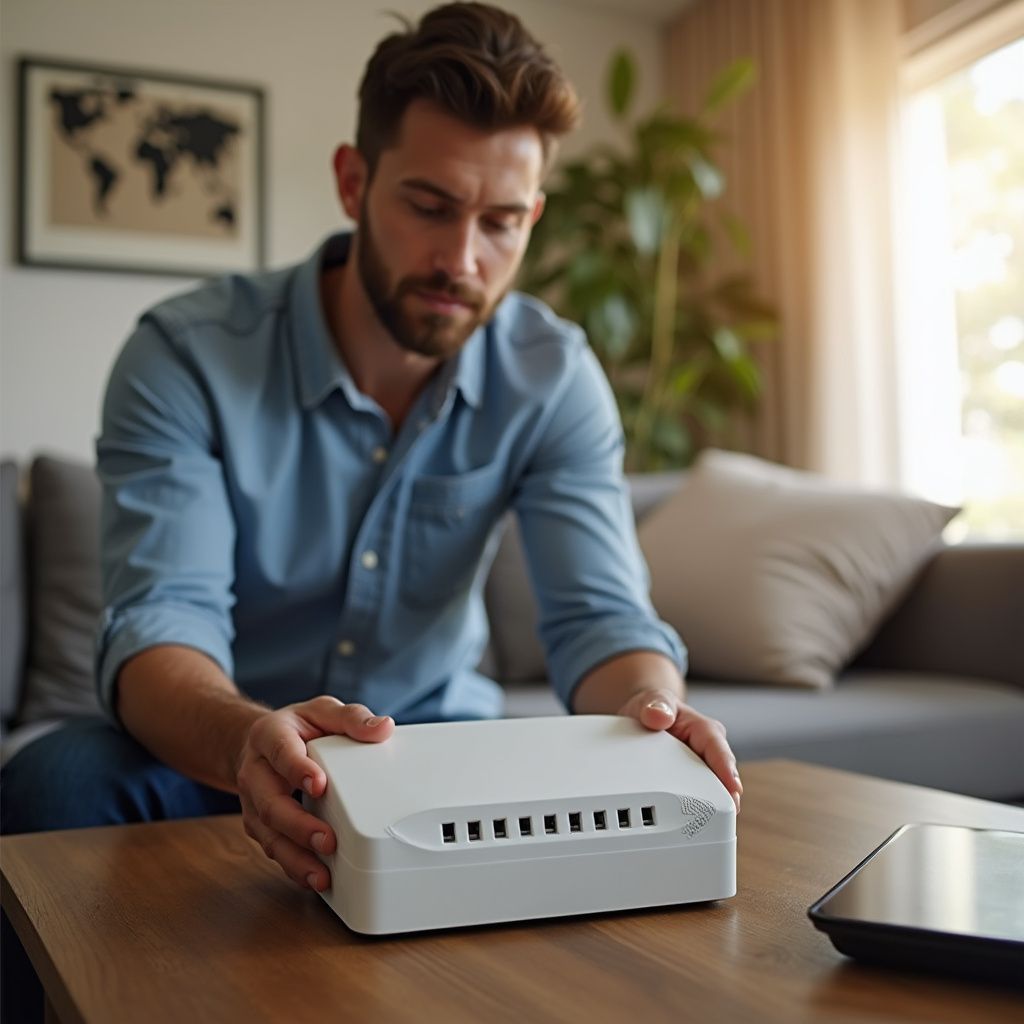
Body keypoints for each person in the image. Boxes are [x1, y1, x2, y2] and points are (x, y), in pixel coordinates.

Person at [2, 3, 741, 1015]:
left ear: (533, 213)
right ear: (355, 181)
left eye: (501, 222)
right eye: (428, 205)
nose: (461, 261)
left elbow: (599, 621)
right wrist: (245, 741)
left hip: (434, 749)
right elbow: (159, 626)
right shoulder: (185, 355)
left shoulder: (551, 372)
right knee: (49, 787)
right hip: (214, 744)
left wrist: (655, 715)